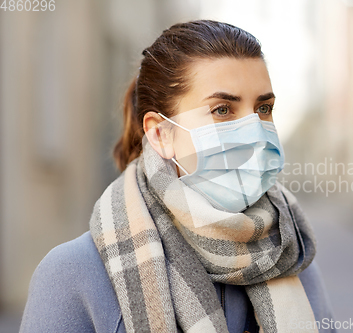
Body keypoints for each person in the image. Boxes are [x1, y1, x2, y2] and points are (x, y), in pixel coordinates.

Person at [20, 20, 335, 333]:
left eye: (264, 108)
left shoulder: (291, 257)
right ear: (160, 134)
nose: (254, 132)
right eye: (222, 110)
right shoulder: (74, 274)